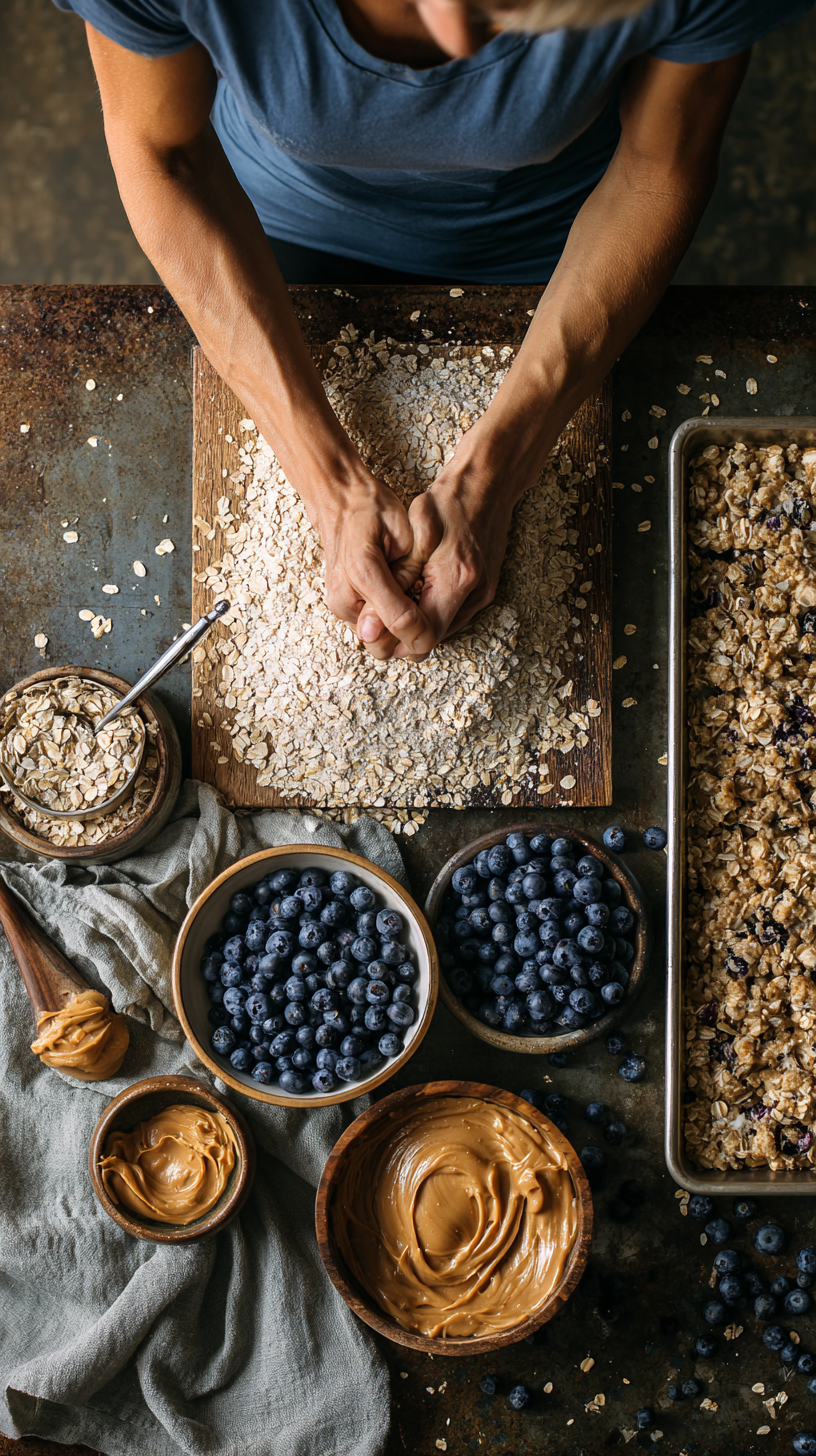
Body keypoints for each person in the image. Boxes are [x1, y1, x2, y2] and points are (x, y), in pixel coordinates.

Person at [56, 0, 809, 661]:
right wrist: (331, 489)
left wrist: (495, 474)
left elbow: (657, 170)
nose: (452, 28)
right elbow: (167, 156)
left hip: (561, 245)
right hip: (272, 223)